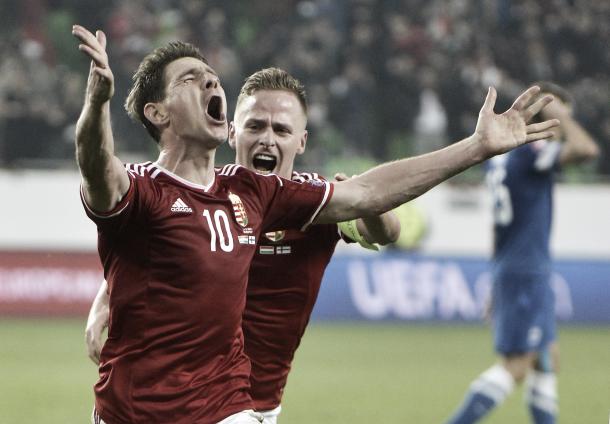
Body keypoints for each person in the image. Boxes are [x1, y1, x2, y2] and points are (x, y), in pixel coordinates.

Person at [72, 22, 558, 423]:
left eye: (212, 77)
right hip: (130, 408)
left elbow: (370, 198)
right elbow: (108, 188)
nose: (211, 83)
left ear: (301, 140)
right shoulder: (153, 191)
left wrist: (475, 147)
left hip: (236, 404)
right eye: (190, 80)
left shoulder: (271, 195)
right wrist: (96, 106)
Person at [86, 67, 401, 423]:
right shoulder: (202, 194)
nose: (267, 139)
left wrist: (368, 203)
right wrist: (104, 299)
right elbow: (140, 247)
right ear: (233, 133)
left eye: (281, 129)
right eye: (255, 126)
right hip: (184, 399)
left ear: (301, 141)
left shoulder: (318, 206)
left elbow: (386, 232)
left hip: (256, 404)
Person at [444, 82, 599, 424]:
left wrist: (496, 282)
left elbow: (500, 228)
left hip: (516, 268)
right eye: (561, 119)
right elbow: (586, 148)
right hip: (526, 272)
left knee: (547, 358)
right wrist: (559, 114)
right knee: (515, 368)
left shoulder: (503, 158)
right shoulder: (532, 153)